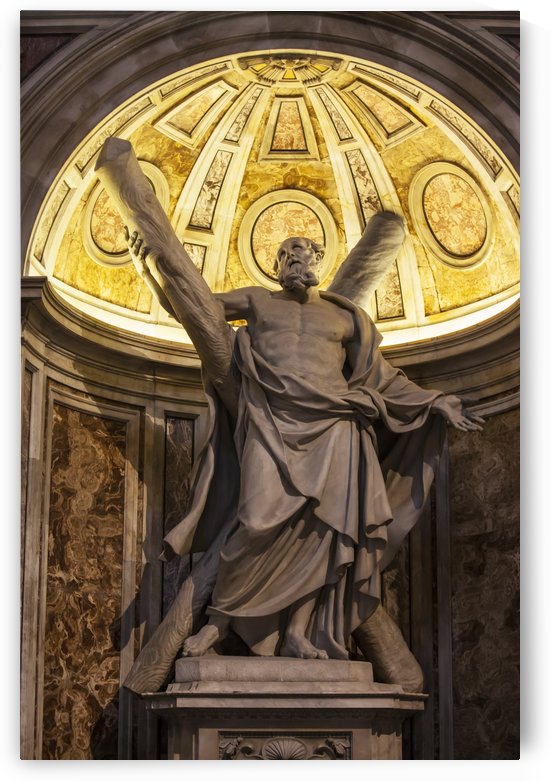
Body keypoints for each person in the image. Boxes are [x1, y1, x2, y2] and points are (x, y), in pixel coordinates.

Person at [127, 229, 483, 665]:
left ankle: (297, 632)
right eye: (282, 254)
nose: (291, 257)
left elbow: (383, 379)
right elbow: (192, 308)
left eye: (298, 249)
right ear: (276, 268)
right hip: (272, 422)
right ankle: (218, 622)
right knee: (254, 521)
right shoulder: (258, 301)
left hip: (335, 427)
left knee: (325, 533)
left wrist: (435, 401)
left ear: (317, 258)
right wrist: (149, 274)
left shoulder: (345, 317)